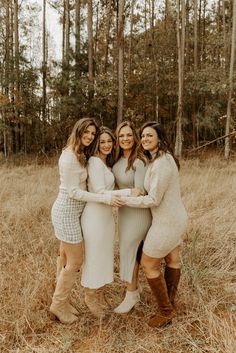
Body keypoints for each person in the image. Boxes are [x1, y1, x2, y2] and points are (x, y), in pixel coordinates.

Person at [50, 118, 123, 324]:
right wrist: (105, 197)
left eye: (93, 133)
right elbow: (74, 192)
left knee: (65, 258)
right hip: (67, 213)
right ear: (78, 131)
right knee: (75, 261)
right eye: (87, 132)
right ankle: (58, 304)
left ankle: (61, 302)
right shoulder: (69, 157)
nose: (90, 136)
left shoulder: (79, 153)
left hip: (75, 213)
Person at [120, 121, 188, 328]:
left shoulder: (162, 163)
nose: (145, 139)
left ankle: (165, 311)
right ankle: (171, 303)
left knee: (149, 263)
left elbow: (154, 199)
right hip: (175, 218)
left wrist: (124, 201)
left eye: (150, 135)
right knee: (172, 259)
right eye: (143, 136)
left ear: (160, 137)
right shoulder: (160, 159)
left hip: (167, 222)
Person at [81, 126, 140, 318]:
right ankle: (90, 296)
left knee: (104, 257)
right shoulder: (94, 162)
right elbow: (99, 192)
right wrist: (128, 191)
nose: (107, 145)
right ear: (96, 143)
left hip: (106, 217)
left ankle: (100, 295)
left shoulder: (105, 163)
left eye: (109, 141)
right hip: (95, 217)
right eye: (102, 141)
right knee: (94, 257)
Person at [112, 121, 152, 313]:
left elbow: (140, 192)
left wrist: (117, 196)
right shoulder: (116, 160)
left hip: (138, 214)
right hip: (124, 212)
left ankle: (131, 293)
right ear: (117, 139)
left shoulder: (139, 161)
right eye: (121, 136)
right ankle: (134, 288)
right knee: (128, 251)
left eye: (129, 135)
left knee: (130, 251)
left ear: (134, 137)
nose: (125, 139)